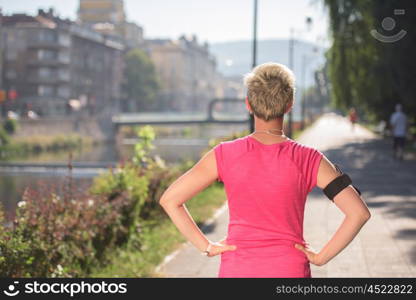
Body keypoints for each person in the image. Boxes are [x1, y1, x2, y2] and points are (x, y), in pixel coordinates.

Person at [159, 62, 371, 278]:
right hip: (289, 269)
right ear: (289, 104)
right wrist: (320, 258)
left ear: (248, 104)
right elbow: (359, 213)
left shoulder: (224, 154)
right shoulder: (309, 158)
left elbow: (170, 200)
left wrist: (207, 246)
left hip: (237, 270)